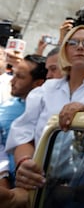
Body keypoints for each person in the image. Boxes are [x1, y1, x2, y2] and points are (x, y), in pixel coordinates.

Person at [6, 25, 84, 191]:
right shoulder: (45, 90)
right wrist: (25, 163)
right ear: (64, 51)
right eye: (73, 42)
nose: (80, 47)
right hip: (40, 187)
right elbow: (23, 134)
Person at [0, 55, 47, 188]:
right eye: (14, 74)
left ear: (38, 83)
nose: (12, 81)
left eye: (20, 77)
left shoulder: (49, 112)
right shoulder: (5, 109)